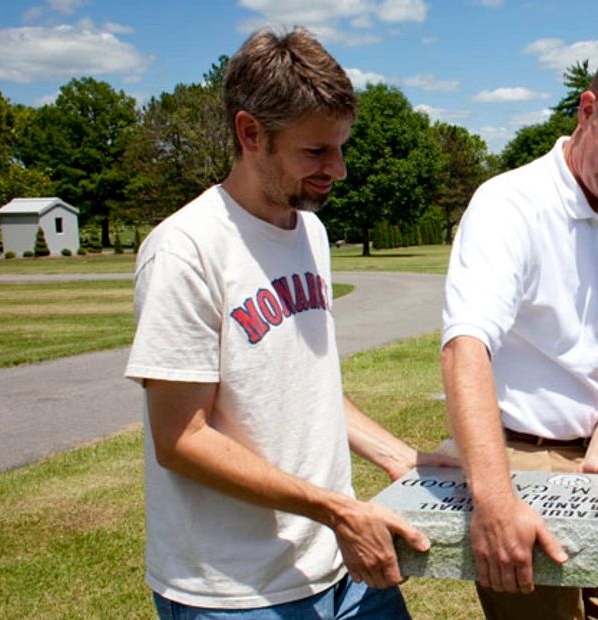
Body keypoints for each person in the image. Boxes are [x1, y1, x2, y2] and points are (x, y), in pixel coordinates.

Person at [125, 27, 437, 619]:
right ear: (250, 134)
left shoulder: (310, 232)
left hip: (344, 569)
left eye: (340, 147)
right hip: (237, 593)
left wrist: (400, 456)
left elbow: (301, 386)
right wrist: (337, 509)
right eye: (316, 152)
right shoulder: (185, 250)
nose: (338, 170)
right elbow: (181, 439)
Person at [439, 44, 598, 619]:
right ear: (588, 109)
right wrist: (495, 496)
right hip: (515, 457)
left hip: (597, 458)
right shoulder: (508, 206)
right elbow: (464, 350)